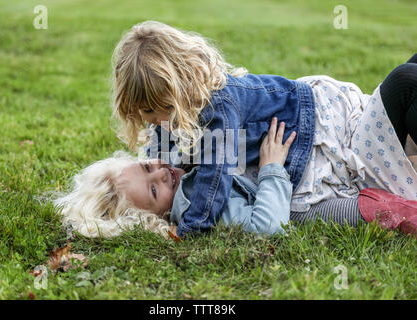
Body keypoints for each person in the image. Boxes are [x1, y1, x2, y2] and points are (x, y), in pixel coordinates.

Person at [111, 21, 417, 238]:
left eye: (152, 111)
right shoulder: (184, 113)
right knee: (405, 81)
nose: (152, 122)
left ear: (177, 94)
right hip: (322, 149)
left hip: (318, 126)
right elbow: (172, 150)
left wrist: (192, 227)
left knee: (409, 77)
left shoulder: (217, 110)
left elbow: (214, 174)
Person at [53, 119, 417, 240]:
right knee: (374, 207)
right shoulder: (200, 206)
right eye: (154, 190)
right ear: (153, 217)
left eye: (149, 166)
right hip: (303, 200)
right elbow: (269, 226)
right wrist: (273, 167)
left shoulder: (180, 163)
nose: (163, 173)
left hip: (318, 160)